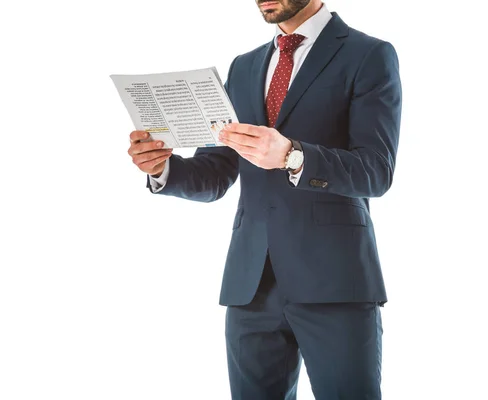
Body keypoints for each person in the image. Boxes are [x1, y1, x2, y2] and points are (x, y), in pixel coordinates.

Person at [126, 0, 401, 399]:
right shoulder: (244, 66)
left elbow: (376, 171)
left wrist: (293, 156)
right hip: (251, 285)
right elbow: (216, 172)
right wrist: (161, 169)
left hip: (334, 281)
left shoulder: (369, 54)